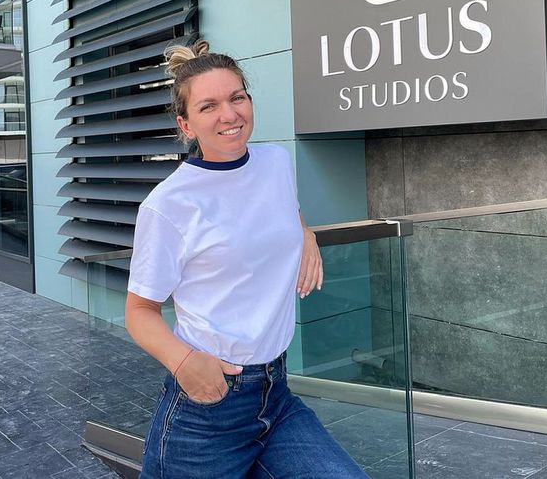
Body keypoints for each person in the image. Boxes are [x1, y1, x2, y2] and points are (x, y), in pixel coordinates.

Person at [126, 40, 368, 478]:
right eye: (209, 106)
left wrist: (304, 232)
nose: (229, 114)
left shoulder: (276, 162)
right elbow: (139, 312)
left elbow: (282, 209)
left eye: (237, 98)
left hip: (276, 395)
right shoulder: (168, 205)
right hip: (208, 408)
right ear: (186, 125)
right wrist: (186, 364)